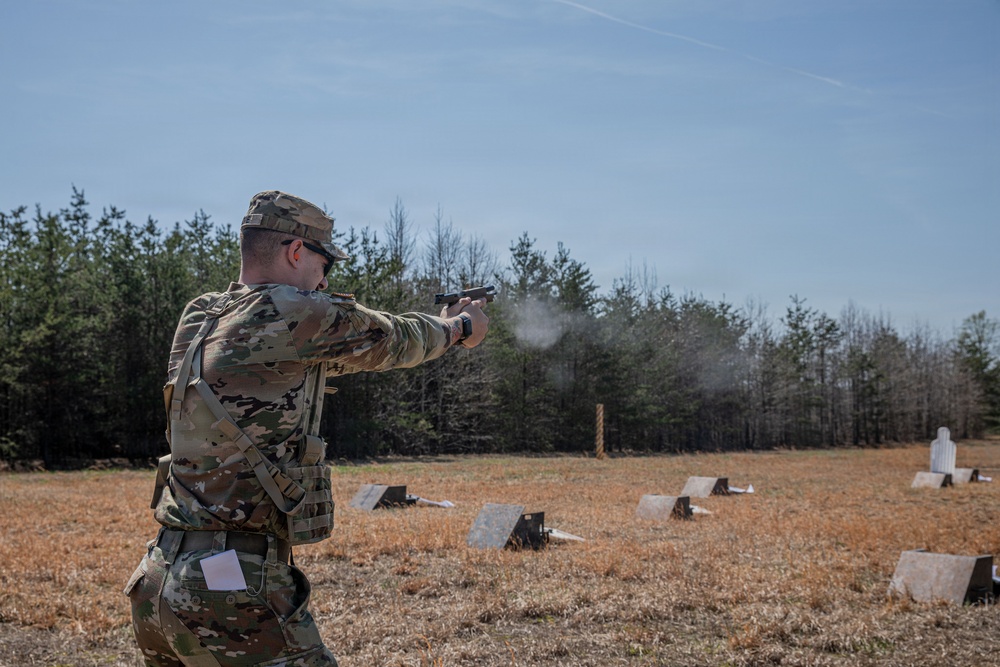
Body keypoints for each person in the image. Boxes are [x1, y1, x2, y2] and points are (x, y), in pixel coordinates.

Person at [124, 190, 489, 666]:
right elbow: (394, 339)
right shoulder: (289, 312)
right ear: (296, 252)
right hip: (227, 585)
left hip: (160, 577)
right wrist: (461, 326)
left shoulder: (202, 315)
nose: (323, 279)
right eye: (325, 264)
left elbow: (303, 363)